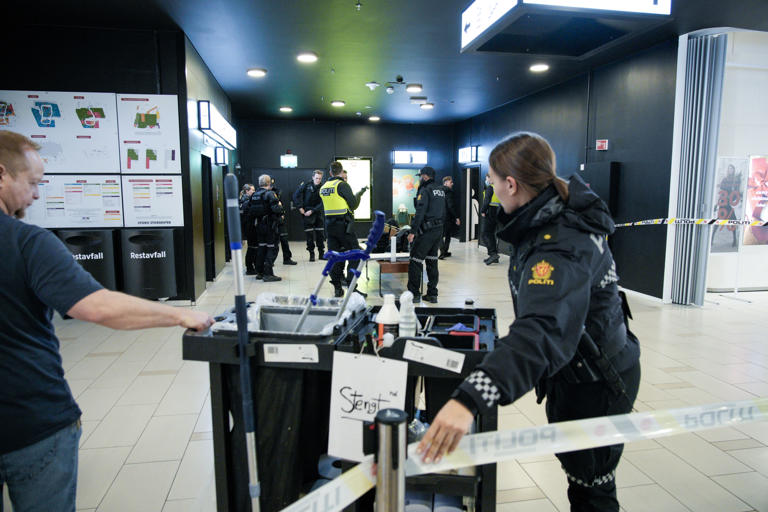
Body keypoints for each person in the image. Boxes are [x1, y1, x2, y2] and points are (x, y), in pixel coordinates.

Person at [417, 132, 641, 512]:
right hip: (576, 370)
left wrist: (470, 398)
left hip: (596, 382)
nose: (490, 188)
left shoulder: (560, 241)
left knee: (593, 492)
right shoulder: (546, 216)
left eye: (491, 180)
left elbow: (541, 329)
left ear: (511, 183)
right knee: (581, 482)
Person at [0, 131, 214, 512]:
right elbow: (97, 307)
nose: (36, 195)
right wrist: (181, 313)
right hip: (30, 419)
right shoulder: (26, 242)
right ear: (2, 174)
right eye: (32, 184)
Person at [320, 161, 366, 297]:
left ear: (330, 172)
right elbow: (353, 205)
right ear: (341, 172)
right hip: (344, 226)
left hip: (329, 226)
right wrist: (359, 195)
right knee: (355, 254)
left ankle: (338, 288)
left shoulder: (324, 187)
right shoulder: (342, 185)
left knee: (335, 256)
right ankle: (351, 287)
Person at [406, 166, 446, 303]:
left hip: (426, 231)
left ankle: (414, 294)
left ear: (425, 176)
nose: (419, 179)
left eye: (420, 176)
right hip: (438, 230)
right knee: (432, 261)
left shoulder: (425, 190)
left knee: (415, 261)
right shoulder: (440, 190)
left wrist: (412, 232)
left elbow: (420, 212)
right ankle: (432, 294)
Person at [247, 174, 283, 281]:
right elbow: (277, 209)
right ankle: (268, 273)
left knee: (261, 248)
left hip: (258, 226)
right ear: (269, 183)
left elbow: (249, 209)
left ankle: (260, 272)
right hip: (269, 226)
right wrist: (280, 206)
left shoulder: (254, 195)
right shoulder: (270, 194)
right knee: (272, 248)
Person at [294, 170, 326, 261]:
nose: (318, 180)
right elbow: (295, 195)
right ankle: (311, 254)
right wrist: (300, 207)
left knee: (320, 235)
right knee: (309, 235)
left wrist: (313, 210)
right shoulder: (306, 185)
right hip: (307, 213)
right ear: (313, 177)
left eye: (320, 178)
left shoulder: (323, 187)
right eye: (316, 178)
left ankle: (321, 254)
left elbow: (323, 202)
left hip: (317, 212)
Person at [270, 178, 297, 266]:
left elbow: (280, 204)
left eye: (272, 183)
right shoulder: (264, 194)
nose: (271, 185)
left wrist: (282, 213)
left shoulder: (277, 192)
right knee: (273, 243)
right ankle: (270, 261)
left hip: (279, 219)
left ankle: (287, 258)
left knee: (284, 239)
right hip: (270, 221)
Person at [439, 176, 460, 259]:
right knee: (447, 235)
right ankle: (444, 251)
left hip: (439, 216)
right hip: (447, 217)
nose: (452, 184)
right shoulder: (449, 192)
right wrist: (457, 217)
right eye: (451, 182)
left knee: (440, 235)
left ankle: (443, 251)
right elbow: (451, 205)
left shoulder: (438, 191)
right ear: (446, 183)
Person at [481, 174, 501, 265]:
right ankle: (494, 256)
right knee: (491, 234)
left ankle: (493, 254)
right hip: (499, 212)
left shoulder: (490, 188)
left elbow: (486, 201)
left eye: (486, 178)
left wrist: (483, 210)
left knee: (485, 234)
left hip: (490, 212)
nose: (486, 180)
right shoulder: (500, 187)